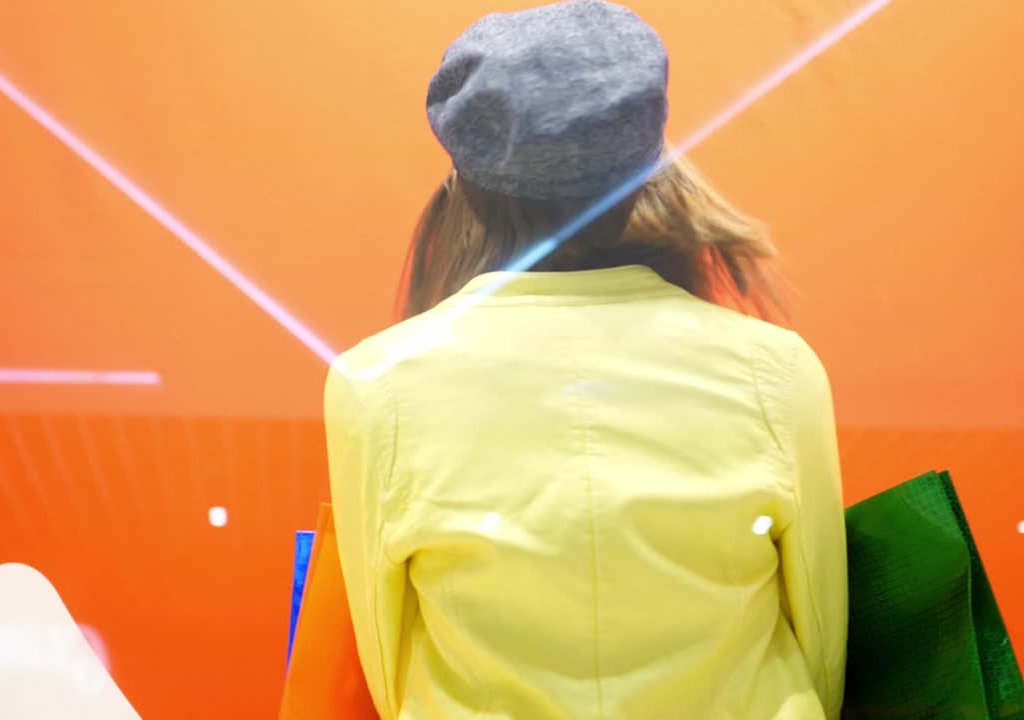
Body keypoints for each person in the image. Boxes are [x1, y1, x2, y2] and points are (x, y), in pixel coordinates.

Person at [323, 1, 847, 717]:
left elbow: (388, 662)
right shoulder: (775, 368)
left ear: (467, 175)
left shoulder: (374, 384)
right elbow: (822, 638)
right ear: (647, 161)